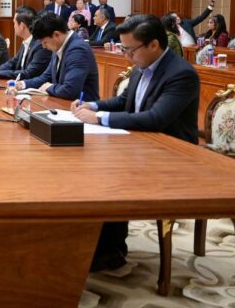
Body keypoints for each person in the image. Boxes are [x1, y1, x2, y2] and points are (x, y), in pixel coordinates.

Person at [72, 14, 200, 272]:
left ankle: (111, 251)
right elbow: (124, 101)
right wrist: (92, 105)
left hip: (172, 155)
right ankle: (88, 242)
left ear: (153, 44)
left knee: (109, 175)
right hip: (139, 144)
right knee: (85, 166)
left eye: (130, 50)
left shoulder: (181, 74)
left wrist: (99, 118)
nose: (127, 56)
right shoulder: (143, 66)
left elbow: (156, 118)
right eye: (123, 49)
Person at [14, 12, 99, 101]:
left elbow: (70, 90)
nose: (43, 46)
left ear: (56, 35)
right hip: (61, 103)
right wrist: (22, 84)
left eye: (45, 42)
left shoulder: (78, 50)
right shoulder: (58, 45)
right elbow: (45, 77)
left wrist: (49, 87)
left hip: (81, 107)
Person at [0, 7, 51, 81]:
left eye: (14, 23)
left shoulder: (40, 45)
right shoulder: (26, 41)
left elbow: (30, 73)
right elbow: (13, 62)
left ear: (22, 26)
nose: (14, 26)